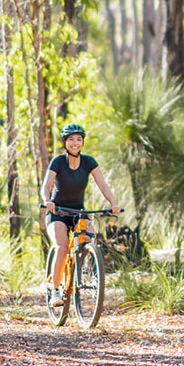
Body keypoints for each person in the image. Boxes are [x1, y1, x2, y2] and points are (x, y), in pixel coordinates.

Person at [41, 122, 121, 306]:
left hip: (78, 211)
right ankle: (55, 290)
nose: (75, 143)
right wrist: (48, 201)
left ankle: (84, 267)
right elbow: (46, 187)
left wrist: (113, 203)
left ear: (83, 142)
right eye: (71, 139)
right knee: (62, 246)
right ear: (65, 142)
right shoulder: (58, 162)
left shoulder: (89, 162)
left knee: (91, 238)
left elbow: (102, 184)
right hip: (57, 212)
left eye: (78, 139)